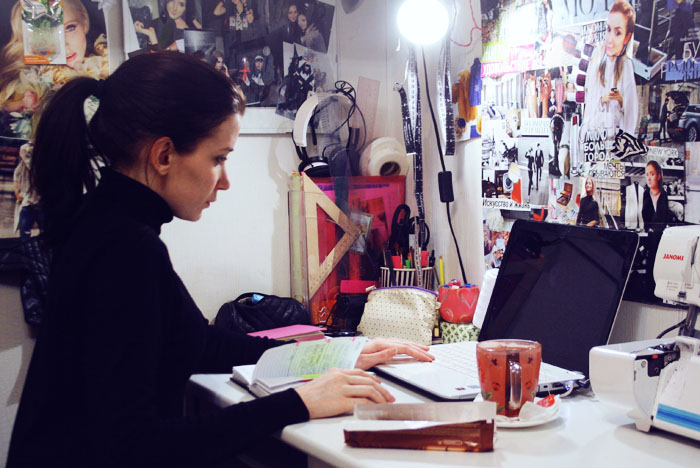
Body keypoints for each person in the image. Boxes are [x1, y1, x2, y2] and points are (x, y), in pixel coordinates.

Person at [6, 52, 433, 467]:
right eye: (218, 159)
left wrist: (335, 355)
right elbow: (134, 449)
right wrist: (299, 402)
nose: (225, 181)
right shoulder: (123, 247)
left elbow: (201, 345)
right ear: (164, 155)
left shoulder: (108, 224)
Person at [0, 0, 109, 125]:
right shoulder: (22, 93)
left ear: (84, 21)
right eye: (47, 34)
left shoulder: (108, 62)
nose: (63, 44)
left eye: (70, 28)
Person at [580, 0, 638, 147]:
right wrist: (602, 99)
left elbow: (631, 114)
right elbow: (589, 111)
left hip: (616, 146)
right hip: (594, 144)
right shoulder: (596, 63)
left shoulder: (626, 65)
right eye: (609, 29)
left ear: (627, 37)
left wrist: (621, 101)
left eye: (618, 32)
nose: (610, 39)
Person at [641, 160, 670, 230]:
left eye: (652, 174)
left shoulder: (663, 194)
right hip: (648, 233)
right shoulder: (646, 194)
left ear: (658, 176)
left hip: (661, 233)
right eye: (647, 175)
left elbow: (664, 217)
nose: (649, 179)